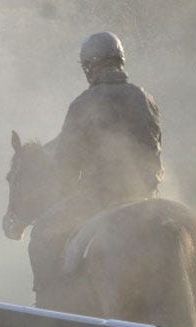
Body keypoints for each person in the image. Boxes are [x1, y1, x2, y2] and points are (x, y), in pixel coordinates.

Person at [29, 31, 163, 298]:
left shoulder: (82, 104)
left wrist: (69, 189)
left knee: (42, 234)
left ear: (90, 66)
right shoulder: (144, 98)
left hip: (99, 199)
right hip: (145, 199)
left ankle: (51, 308)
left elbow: (66, 164)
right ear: (120, 61)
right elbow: (154, 149)